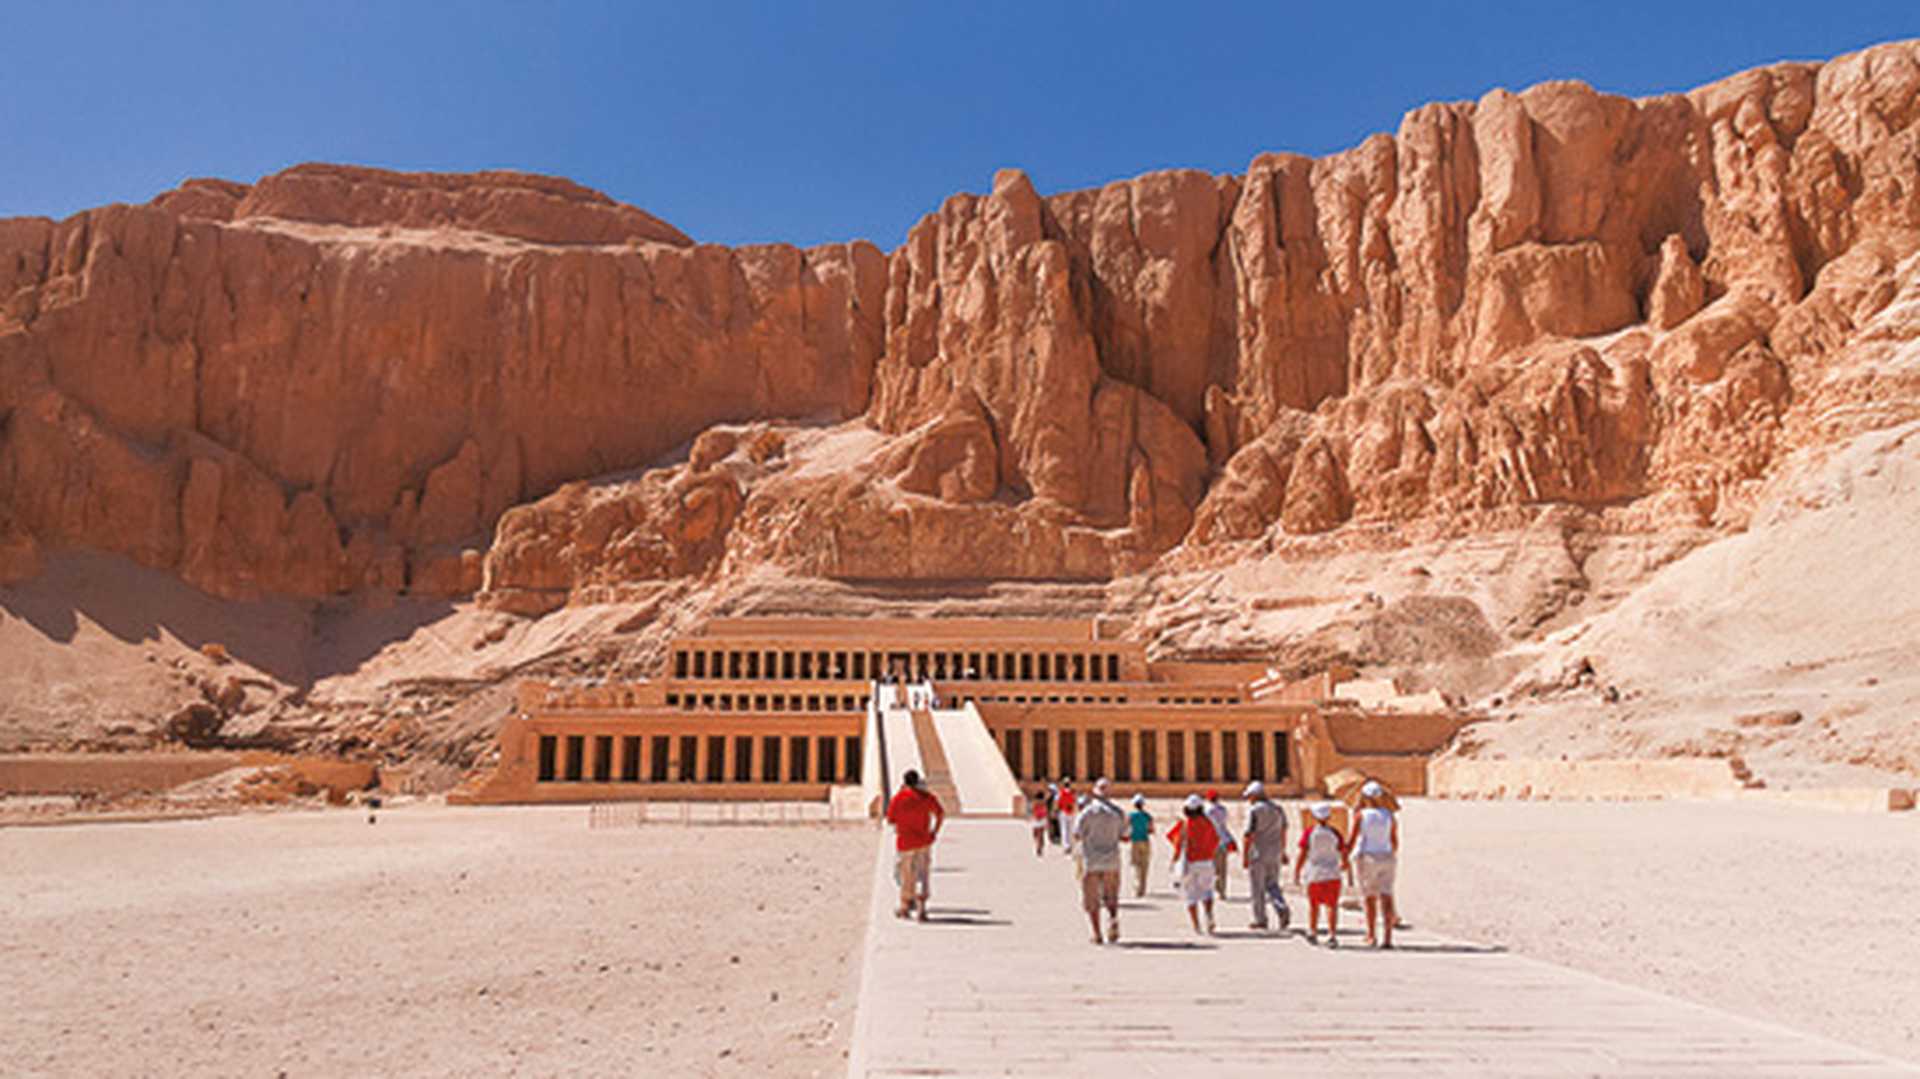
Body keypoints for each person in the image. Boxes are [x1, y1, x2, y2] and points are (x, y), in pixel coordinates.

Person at [1073, 778, 1128, 944]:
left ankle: (1097, 933)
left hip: (1091, 859)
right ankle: (1112, 918)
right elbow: (1125, 836)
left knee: (1092, 898)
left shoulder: (1087, 812)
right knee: (1111, 895)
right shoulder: (1118, 813)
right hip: (1112, 859)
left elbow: (1077, 834)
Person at [886, 769, 945, 921]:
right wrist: (934, 832)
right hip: (923, 841)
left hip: (905, 842)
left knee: (906, 874)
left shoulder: (899, 798)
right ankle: (921, 909)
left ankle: (905, 906)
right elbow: (940, 813)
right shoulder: (926, 797)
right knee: (922, 873)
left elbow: (890, 819)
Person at [1293, 801, 1350, 946]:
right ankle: (1332, 934)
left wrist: (1297, 871)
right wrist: (1346, 866)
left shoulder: (1310, 833)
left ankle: (1313, 931)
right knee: (1332, 905)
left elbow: (1303, 853)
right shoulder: (1335, 833)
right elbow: (1343, 851)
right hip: (1332, 873)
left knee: (1314, 905)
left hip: (1315, 873)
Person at [1351, 780, 1400, 949]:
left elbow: (1352, 839)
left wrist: (1345, 854)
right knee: (1387, 896)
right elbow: (1394, 841)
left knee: (1370, 897)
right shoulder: (1389, 815)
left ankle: (1371, 935)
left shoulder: (1361, 815)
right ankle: (1388, 937)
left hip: (1368, 856)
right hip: (1387, 856)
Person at [1240, 781, 1290, 932]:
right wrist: (1283, 851)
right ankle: (1281, 907)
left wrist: (1245, 856)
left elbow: (1248, 834)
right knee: (1273, 884)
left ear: (1255, 796)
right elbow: (1283, 831)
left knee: (1258, 888)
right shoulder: (1278, 809)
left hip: (1258, 852)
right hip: (1275, 851)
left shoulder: (1254, 811)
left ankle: (1260, 919)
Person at [1168, 793, 1221, 934]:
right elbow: (1216, 840)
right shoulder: (1208, 822)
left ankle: (1196, 925)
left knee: (1190, 894)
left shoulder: (1184, 824)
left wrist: (1174, 859)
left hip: (1190, 862)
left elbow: (1176, 842)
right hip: (1206, 861)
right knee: (1207, 891)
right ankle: (1209, 916)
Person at [1204, 789, 1238, 900]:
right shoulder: (1223, 810)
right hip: (1223, 840)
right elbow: (1223, 826)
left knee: (1211, 867)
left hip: (1211, 841)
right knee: (1222, 868)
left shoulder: (1206, 810)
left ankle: (1213, 888)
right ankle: (1222, 891)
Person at [1126, 793, 1154, 897]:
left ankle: (1137, 888)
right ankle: (1142, 888)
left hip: (1134, 841)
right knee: (1144, 866)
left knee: (1136, 866)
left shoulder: (1130, 816)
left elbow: (1126, 829)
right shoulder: (1148, 816)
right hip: (1145, 840)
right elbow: (1151, 830)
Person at [1057, 778, 1078, 858]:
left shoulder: (1061, 793)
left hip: (1063, 812)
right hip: (1071, 813)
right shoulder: (1073, 793)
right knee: (1070, 829)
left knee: (1064, 830)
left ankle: (1066, 846)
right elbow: (1075, 802)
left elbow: (1059, 803)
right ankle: (1071, 845)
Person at [1030, 786, 1049, 857]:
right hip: (1042, 819)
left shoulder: (1035, 802)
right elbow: (1045, 811)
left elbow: (1032, 810)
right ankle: (1040, 845)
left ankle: (1039, 846)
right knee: (1041, 834)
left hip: (1036, 819)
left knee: (1036, 834)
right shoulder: (1043, 802)